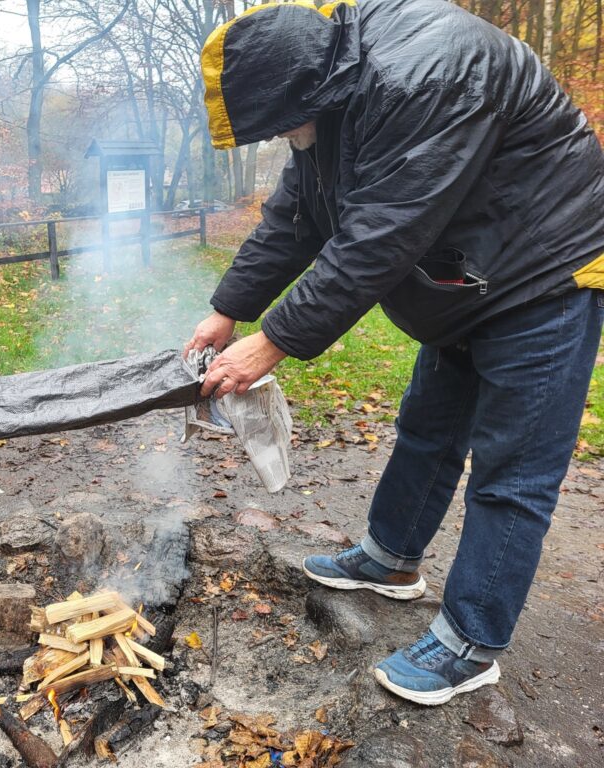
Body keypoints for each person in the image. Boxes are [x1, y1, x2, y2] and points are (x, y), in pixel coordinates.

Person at [186, 0, 604, 706]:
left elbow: (379, 236)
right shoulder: (330, 94)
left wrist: (275, 341)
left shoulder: (426, 74)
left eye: (280, 122)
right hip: (464, 275)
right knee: (428, 430)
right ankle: (392, 559)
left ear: (304, 89)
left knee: (512, 473)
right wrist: (229, 312)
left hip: (543, 273)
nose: (283, 136)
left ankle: (472, 643)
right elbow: (297, 216)